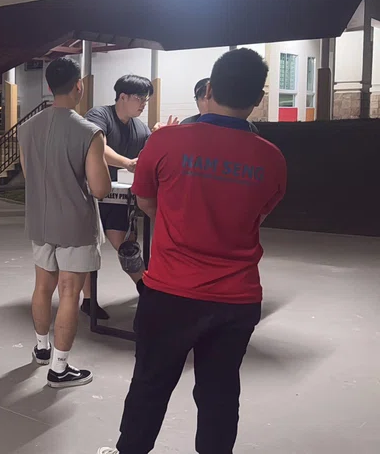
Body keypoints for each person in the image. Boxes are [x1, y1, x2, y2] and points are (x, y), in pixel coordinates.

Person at [97, 48, 287, 454]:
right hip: (238, 299)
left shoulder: (166, 141)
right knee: (220, 393)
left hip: (170, 293)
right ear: (258, 98)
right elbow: (258, 217)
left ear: (210, 89)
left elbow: (146, 202)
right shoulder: (272, 159)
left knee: (150, 384)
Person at [18, 58, 111, 388]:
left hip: (40, 222)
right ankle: (59, 369)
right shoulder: (89, 132)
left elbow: (30, 176)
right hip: (75, 224)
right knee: (70, 294)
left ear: (48, 86)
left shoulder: (28, 128)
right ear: (79, 86)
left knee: (43, 286)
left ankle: (41, 350)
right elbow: (100, 189)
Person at [83, 76, 175, 319]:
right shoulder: (99, 115)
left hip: (120, 197)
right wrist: (127, 162)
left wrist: (160, 136)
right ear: (122, 96)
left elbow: (149, 155)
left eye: (146, 99)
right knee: (87, 249)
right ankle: (88, 299)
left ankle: (145, 289)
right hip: (90, 192)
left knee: (127, 247)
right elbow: (97, 146)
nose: (143, 104)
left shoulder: (140, 128)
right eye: (139, 98)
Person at [181, 78, 260, 133]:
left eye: (212, 97)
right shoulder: (186, 125)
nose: (207, 102)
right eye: (202, 97)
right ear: (197, 102)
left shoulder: (248, 128)